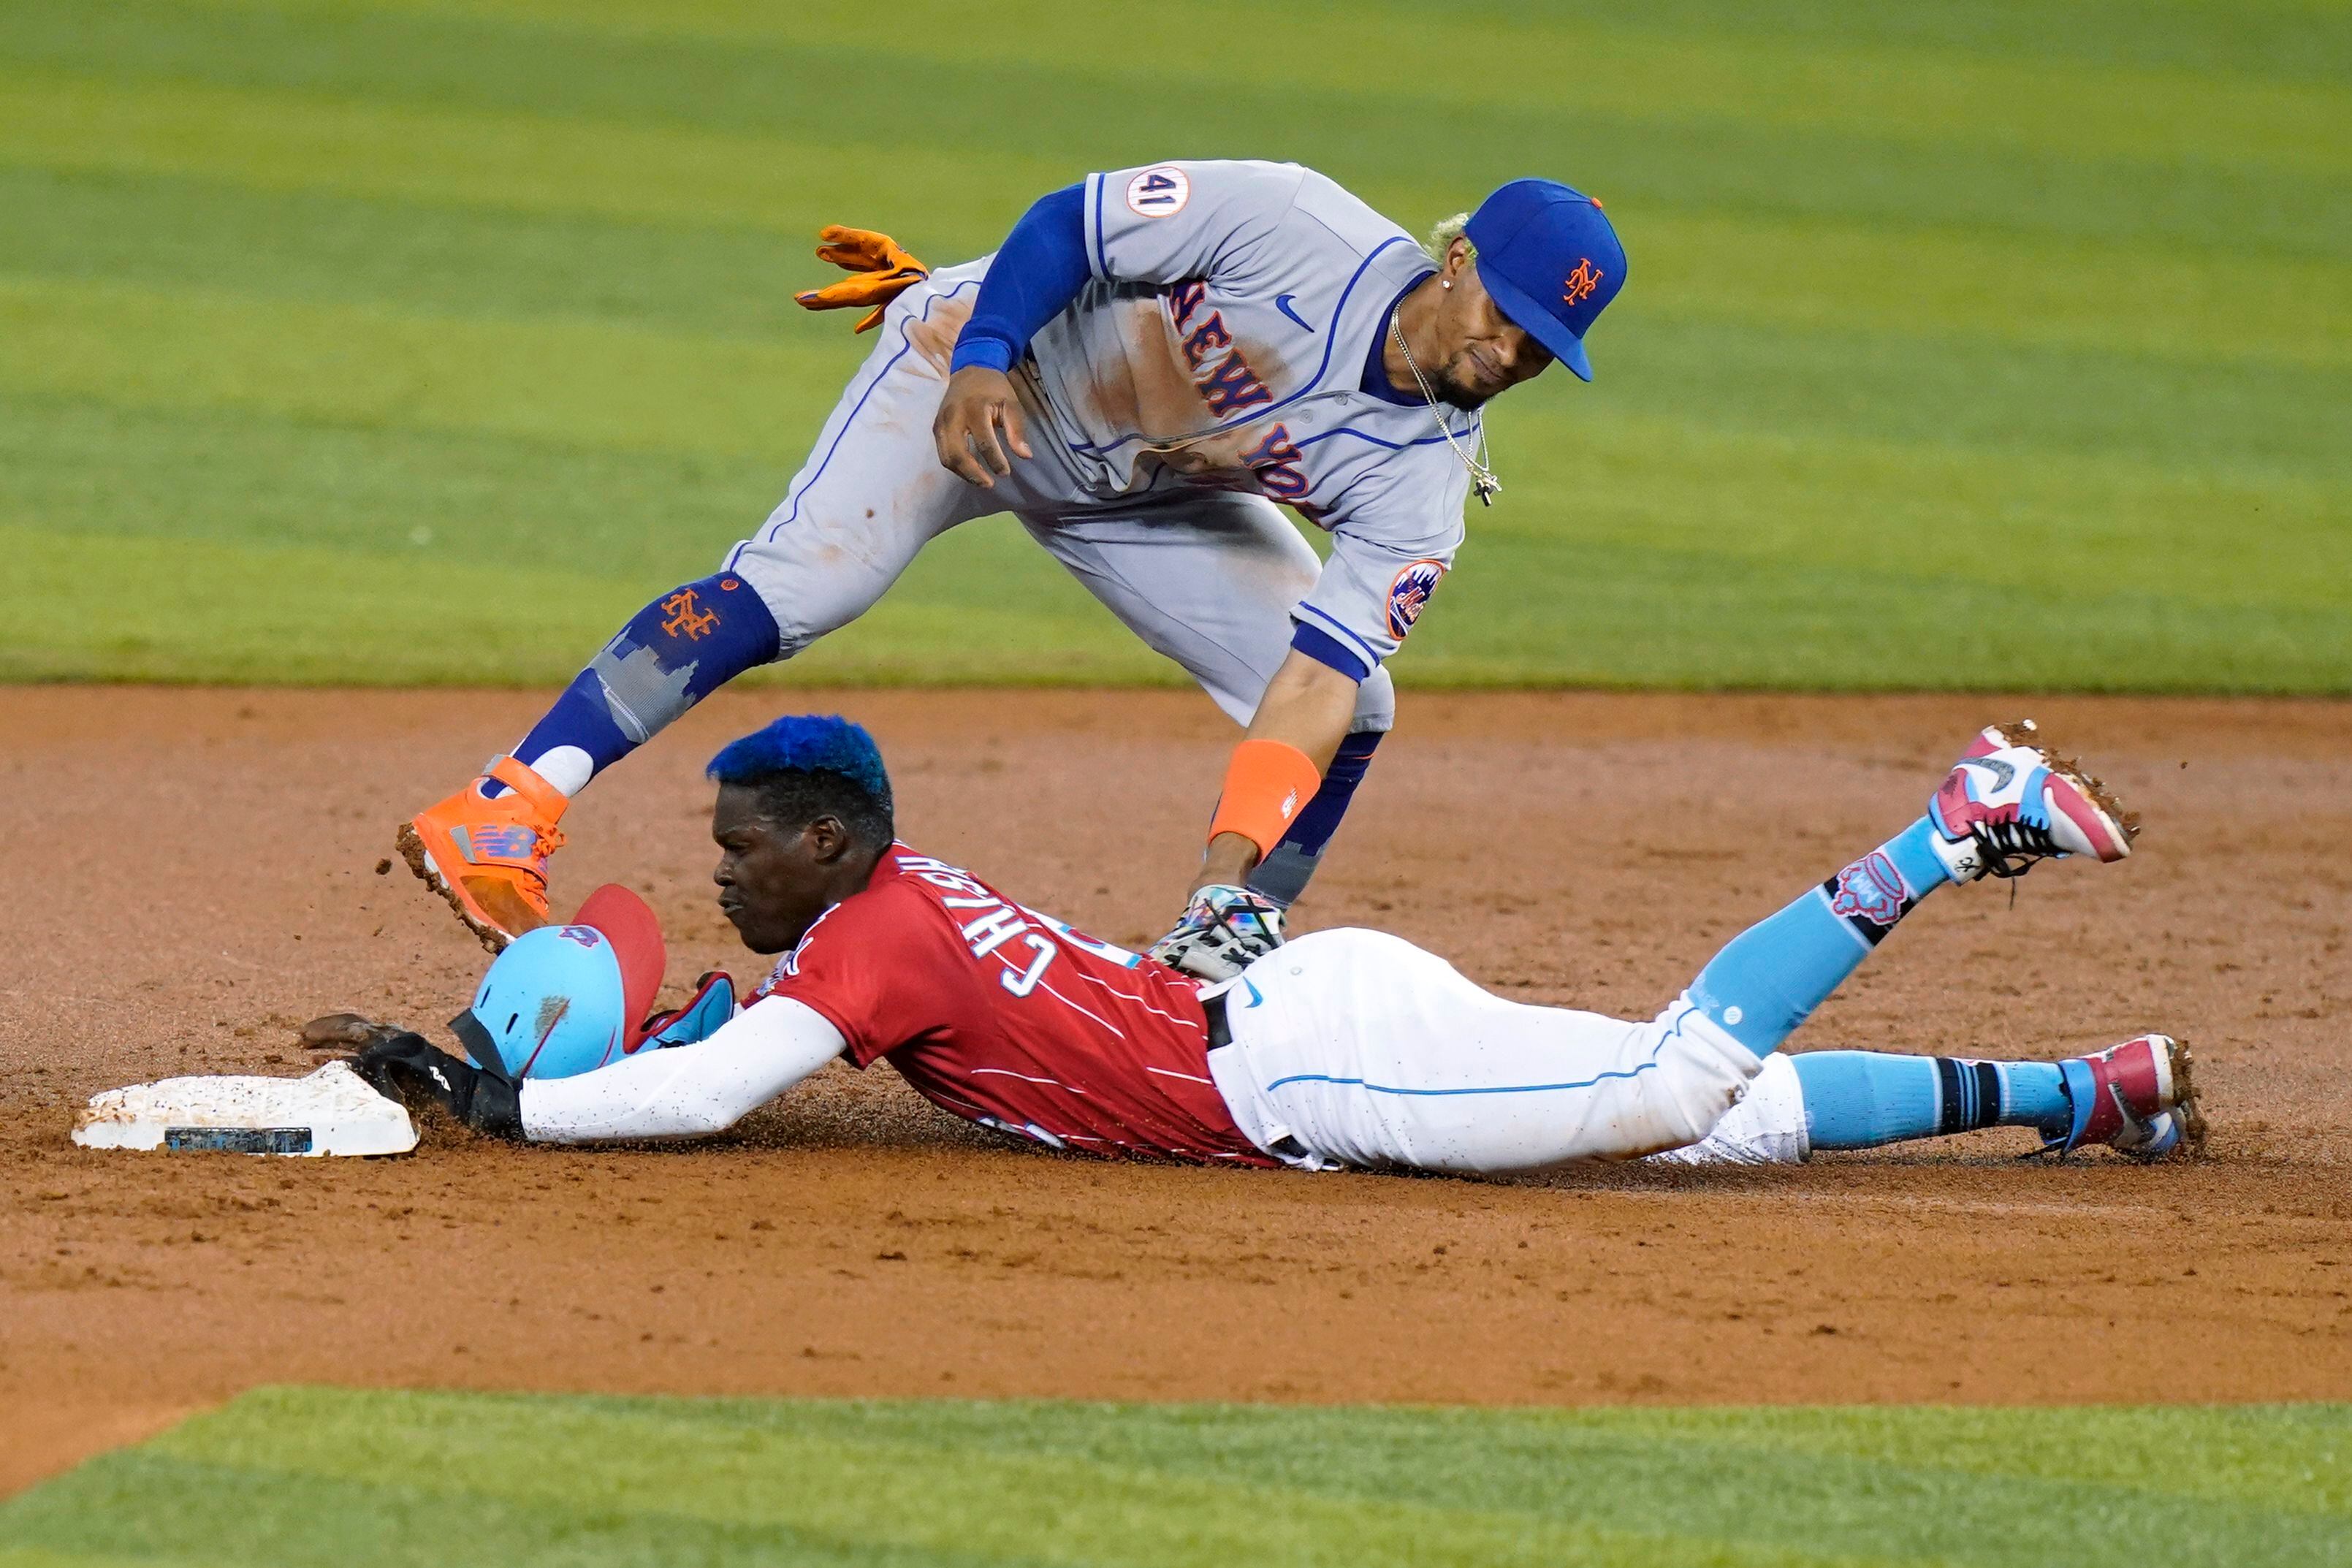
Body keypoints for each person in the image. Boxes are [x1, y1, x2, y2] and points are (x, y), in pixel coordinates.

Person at [394, 162, 1628, 981]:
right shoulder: (1293, 223)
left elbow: (1309, 683)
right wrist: (982, 347)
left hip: (1137, 496)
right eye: (1506, 312)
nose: (1510, 350)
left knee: (1356, 704)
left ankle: (1223, 954)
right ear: (1458, 258)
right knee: (809, 584)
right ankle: (506, 803)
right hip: (982, 380)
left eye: (1543, 345)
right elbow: (1068, 225)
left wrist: (1222, 875)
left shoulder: (1423, 486)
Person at [351, 715, 2201, 1171]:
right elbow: (726, 1023)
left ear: (827, 840)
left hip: (1309, 1062)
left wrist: (521, 1113)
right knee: (1746, 1121)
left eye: (744, 849)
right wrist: (647, 1016)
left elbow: (719, 1088)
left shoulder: (871, 938)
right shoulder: (892, 906)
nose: (731, 871)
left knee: (1668, 1082)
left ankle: (1952, 822)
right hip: (1306, 1021)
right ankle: (2085, 1087)